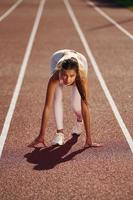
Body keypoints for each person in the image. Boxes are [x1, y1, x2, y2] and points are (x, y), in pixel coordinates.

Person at [28, 49, 102, 148]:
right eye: (65, 75)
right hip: (57, 57)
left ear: (76, 74)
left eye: (71, 76)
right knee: (57, 98)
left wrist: (89, 139)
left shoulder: (81, 77)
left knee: (76, 106)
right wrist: (41, 136)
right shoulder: (55, 76)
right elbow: (47, 107)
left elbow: (85, 106)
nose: (68, 79)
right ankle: (59, 133)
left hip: (80, 59)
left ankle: (79, 121)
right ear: (60, 72)